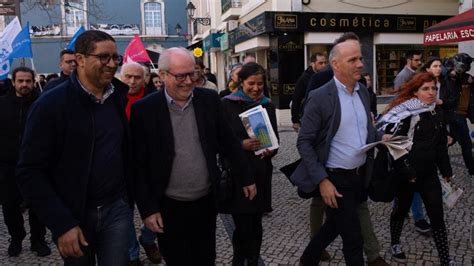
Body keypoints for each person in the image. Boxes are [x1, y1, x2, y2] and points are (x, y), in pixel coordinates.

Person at [16, 30, 134, 265]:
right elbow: (29, 171)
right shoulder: (51, 105)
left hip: (116, 209)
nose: (112, 64)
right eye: (104, 57)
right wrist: (62, 223)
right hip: (75, 213)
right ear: (80, 60)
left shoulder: (118, 97)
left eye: (115, 58)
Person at [130, 47, 252, 266]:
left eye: (192, 74)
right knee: (177, 259)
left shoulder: (209, 99)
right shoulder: (144, 110)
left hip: (205, 201)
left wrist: (246, 177)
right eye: (181, 76)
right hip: (168, 205)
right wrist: (148, 210)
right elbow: (138, 166)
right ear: (163, 75)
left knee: (205, 258)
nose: (188, 81)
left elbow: (228, 141)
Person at [297, 32, 385, 266]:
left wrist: (383, 137)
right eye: (353, 60)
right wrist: (322, 180)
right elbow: (303, 142)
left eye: (360, 58)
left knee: (333, 226)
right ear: (335, 64)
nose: (360, 64)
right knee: (353, 238)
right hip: (335, 178)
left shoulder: (363, 92)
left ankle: (307, 260)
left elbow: (363, 130)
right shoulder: (319, 97)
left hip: (359, 176)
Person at [378, 72, 456, 266]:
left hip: (429, 175)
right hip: (407, 176)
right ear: (415, 92)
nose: (431, 93)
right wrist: (408, 172)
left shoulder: (436, 111)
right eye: (425, 89)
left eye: (434, 88)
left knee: (437, 215)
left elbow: (440, 145)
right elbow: (395, 146)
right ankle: (395, 243)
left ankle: (445, 260)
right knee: (401, 211)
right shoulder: (406, 114)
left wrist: (446, 171)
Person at [221, 62, 278, 265]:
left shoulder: (267, 105)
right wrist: (241, 144)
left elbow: (274, 139)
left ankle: (253, 259)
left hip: (261, 172)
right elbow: (219, 141)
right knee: (243, 224)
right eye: (251, 83)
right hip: (238, 174)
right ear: (240, 83)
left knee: (256, 223)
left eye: (260, 84)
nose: (256, 88)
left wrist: (272, 149)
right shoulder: (227, 104)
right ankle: (239, 259)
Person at [0, 67, 51, 257]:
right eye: (20, 81)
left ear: (33, 81)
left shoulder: (42, 104)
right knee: (9, 206)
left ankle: (38, 240)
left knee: (38, 205)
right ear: (13, 82)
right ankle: (16, 237)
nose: (24, 85)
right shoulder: (2, 104)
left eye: (28, 81)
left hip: (36, 165)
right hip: (8, 166)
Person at [120, 62, 162, 265]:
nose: (132, 81)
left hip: (149, 164)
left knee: (157, 206)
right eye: (128, 76)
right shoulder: (112, 99)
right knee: (124, 214)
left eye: (137, 77)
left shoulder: (155, 100)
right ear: (121, 77)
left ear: (146, 79)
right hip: (121, 167)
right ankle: (132, 254)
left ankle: (148, 239)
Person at [392, 50, 430, 235]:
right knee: (409, 179)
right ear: (409, 60)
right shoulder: (403, 76)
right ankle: (416, 216)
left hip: (416, 136)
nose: (418, 62)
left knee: (411, 181)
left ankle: (407, 209)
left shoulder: (415, 76)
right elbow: (399, 101)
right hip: (406, 136)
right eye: (416, 60)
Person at [441, 53, 474, 175]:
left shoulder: (465, 77)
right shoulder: (446, 77)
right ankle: (472, 168)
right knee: (466, 144)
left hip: (459, 115)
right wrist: (450, 73)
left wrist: (471, 81)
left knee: (451, 140)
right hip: (454, 116)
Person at [291, 53, 327, 132]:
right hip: (308, 116)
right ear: (313, 64)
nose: (324, 65)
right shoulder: (304, 79)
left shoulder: (326, 76)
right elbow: (296, 99)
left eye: (325, 63)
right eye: (320, 63)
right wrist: (295, 120)